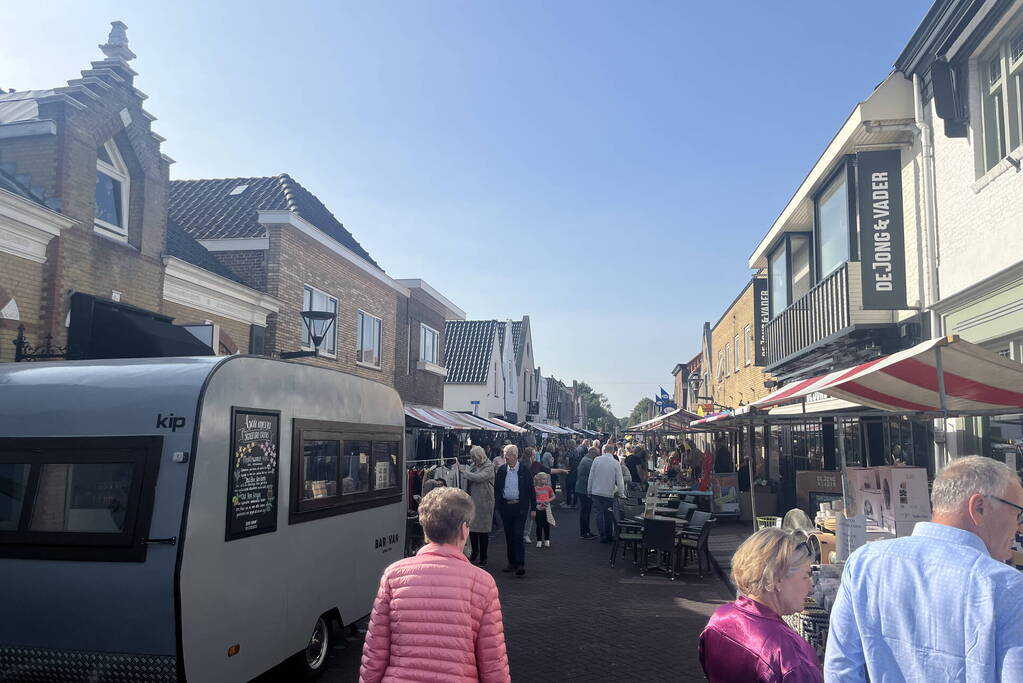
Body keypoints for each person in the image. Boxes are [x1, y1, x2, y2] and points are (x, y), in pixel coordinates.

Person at [824, 455, 1023, 681]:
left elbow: (840, 671)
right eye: (1018, 514)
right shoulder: (1006, 586)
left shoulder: (864, 564)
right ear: (979, 508)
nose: (1019, 528)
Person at [360, 487, 511, 683]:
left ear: (425, 529)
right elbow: (493, 661)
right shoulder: (482, 582)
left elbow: (375, 650)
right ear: (464, 529)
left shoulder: (393, 575)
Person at [699, 527, 820, 682]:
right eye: (806, 576)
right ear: (776, 579)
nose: (811, 587)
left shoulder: (720, 618)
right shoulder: (790, 655)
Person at [493, 444, 535, 577]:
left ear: (515, 456)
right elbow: (497, 488)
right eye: (504, 454)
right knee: (509, 535)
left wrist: (533, 508)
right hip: (506, 507)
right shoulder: (501, 470)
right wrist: (498, 504)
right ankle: (511, 562)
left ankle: (520, 563)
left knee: (518, 534)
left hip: (520, 507)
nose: (505, 457)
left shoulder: (524, 470)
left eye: (508, 455)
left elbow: (530, 490)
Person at [460, 445, 495, 567]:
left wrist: (465, 473)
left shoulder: (489, 466)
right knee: (473, 530)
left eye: (474, 457)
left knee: (483, 531)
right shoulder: (475, 466)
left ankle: (483, 557)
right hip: (474, 502)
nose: (472, 459)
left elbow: (480, 478)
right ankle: (475, 553)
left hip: (485, 502)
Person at [588, 444, 625, 543]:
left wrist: (589, 490)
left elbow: (591, 476)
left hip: (596, 491)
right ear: (613, 451)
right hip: (608, 493)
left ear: (603, 450)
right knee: (608, 514)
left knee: (598, 514)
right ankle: (609, 535)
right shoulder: (615, 463)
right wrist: (622, 493)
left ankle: (602, 535)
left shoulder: (596, 460)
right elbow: (620, 480)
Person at [575, 447, 598, 539]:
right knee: (585, 511)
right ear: (592, 453)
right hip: (584, 489)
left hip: (581, 488)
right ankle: (584, 532)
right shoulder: (588, 462)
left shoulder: (585, 459)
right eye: (597, 454)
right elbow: (593, 475)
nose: (597, 456)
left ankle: (586, 531)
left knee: (586, 511)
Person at [532, 472, 555, 548]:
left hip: (547, 508)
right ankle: (539, 540)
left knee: (546, 524)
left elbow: (553, 496)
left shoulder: (548, 488)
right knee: (539, 525)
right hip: (538, 508)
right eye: (544, 479)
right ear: (538, 480)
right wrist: (540, 501)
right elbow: (533, 499)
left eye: (546, 479)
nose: (546, 480)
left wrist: (548, 500)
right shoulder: (535, 489)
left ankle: (547, 540)